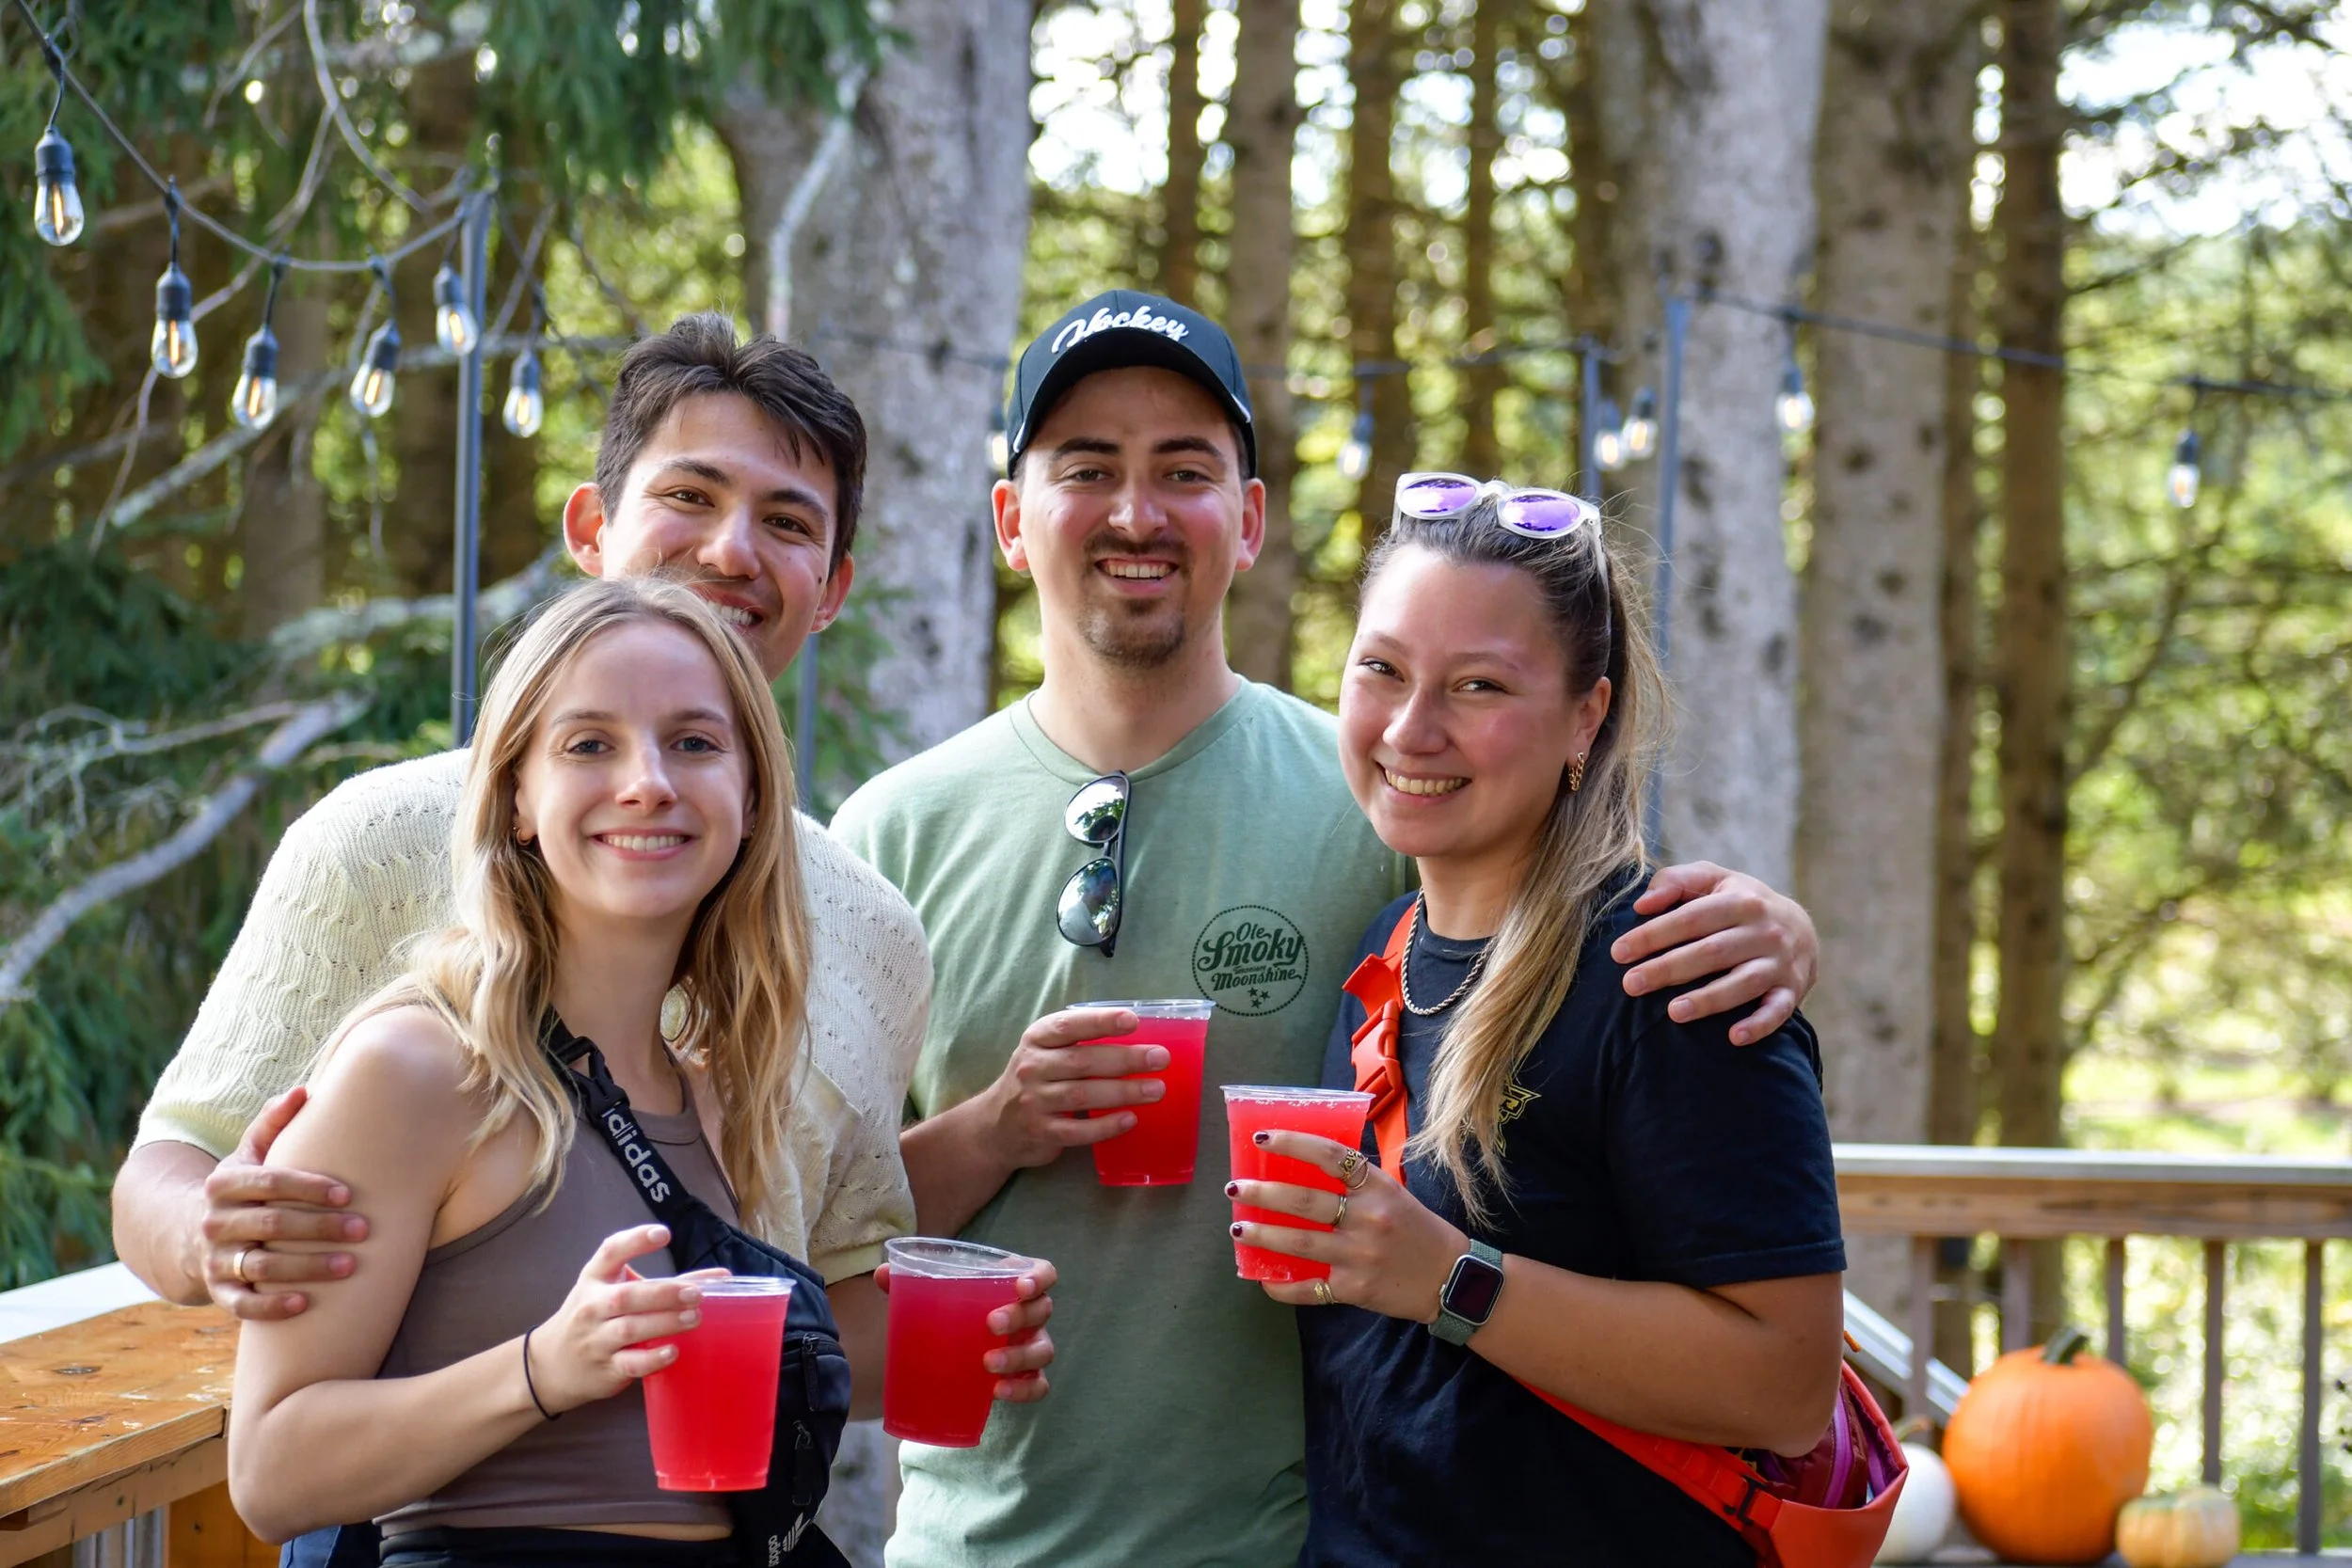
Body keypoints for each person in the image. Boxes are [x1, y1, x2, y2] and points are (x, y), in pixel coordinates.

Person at [829, 291, 1824, 1567]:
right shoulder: (885, 837)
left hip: (1297, 1539)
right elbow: (811, 1248)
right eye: (1088, 468)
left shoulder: (1377, 804)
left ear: (1246, 522)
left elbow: (1581, 938)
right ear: (1011, 520)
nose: (1136, 511)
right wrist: (995, 1128)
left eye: (1183, 470)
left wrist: (1781, 932)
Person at [110, 318, 1054, 1562]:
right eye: (689, 494)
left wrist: (972, 1251)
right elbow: (182, 1172)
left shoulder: (857, 944)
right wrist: (211, 1230)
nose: (730, 547)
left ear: (833, 587)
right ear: (588, 529)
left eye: (785, 518)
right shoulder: (382, 848)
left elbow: (796, 1288)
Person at [1233, 477, 1847, 1564]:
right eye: (1381, 668)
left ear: (1585, 715)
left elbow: (1787, 1384)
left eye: (1478, 684)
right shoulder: (1386, 953)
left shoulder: (1670, 972)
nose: (1411, 727)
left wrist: (1444, 1275)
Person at [229, 577, 873, 1561]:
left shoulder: (716, 1090)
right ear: (518, 798)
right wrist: (542, 1367)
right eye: (588, 744)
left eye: (694, 742)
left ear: (749, 798)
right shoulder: (415, 1069)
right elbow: (271, 1472)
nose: (648, 780)